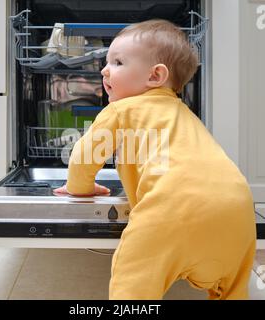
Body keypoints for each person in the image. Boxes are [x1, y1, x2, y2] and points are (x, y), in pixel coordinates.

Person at [54, 19, 256, 300]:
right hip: (238, 211)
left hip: (171, 210)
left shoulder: (121, 110)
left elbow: (84, 157)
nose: (104, 69)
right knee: (231, 291)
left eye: (118, 62)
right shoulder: (186, 114)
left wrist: (80, 188)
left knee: (134, 283)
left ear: (155, 76)